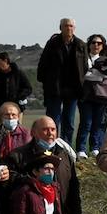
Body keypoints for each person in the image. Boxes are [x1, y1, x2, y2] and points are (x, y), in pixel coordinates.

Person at [37, 18, 88, 148]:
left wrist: (82, 85)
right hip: (55, 88)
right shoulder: (52, 43)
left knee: (69, 121)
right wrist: (46, 82)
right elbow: (43, 65)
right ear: (60, 27)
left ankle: (66, 147)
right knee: (52, 120)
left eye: (71, 26)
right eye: (66, 26)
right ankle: (50, 146)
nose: (68, 28)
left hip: (73, 89)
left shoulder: (81, 45)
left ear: (74, 28)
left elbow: (85, 67)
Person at [78, 34, 107, 158]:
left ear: (102, 46)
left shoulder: (105, 59)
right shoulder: (83, 59)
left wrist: (93, 72)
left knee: (97, 123)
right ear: (89, 44)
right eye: (93, 42)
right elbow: (84, 74)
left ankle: (95, 148)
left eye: (99, 43)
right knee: (86, 122)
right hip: (85, 96)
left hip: (101, 97)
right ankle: (81, 149)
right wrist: (98, 74)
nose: (96, 45)